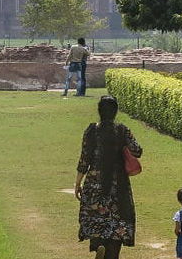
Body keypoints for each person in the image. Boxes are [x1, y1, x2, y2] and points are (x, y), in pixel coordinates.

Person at [75, 95, 142, 259]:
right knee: (117, 222)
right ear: (115, 112)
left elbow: (84, 159)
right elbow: (137, 151)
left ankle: (99, 245)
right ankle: (111, 253)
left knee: (97, 219)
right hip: (117, 185)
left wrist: (77, 184)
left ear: (99, 111)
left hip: (94, 183)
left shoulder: (91, 130)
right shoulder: (122, 130)